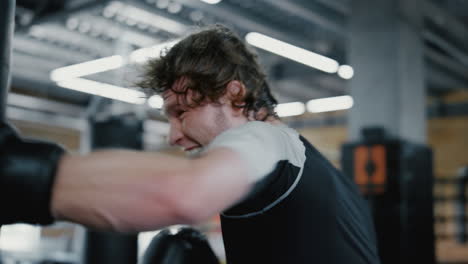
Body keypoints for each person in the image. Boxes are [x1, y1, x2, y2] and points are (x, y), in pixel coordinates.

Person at [0, 25, 380, 263]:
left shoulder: (266, 139)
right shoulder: (321, 172)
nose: (173, 135)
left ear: (235, 95)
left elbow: (183, 193)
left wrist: (19, 177)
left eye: (181, 111)